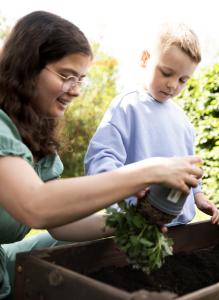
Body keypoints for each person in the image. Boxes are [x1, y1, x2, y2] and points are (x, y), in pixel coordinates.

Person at [0, 11, 203, 299]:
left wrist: (130, 221)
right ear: (26, 65)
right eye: (67, 76)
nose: (76, 91)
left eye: (80, 79)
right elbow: (34, 206)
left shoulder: (36, 139)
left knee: (67, 256)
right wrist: (149, 172)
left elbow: (59, 223)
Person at [85, 23, 219, 226]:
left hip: (179, 231)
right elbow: (100, 159)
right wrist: (123, 190)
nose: (173, 85)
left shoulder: (183, 120)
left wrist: (197, 195)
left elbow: (187, 169)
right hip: (136, 226)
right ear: (145, 59)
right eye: (167, 73)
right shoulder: (128, 106)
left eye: (183, 80)